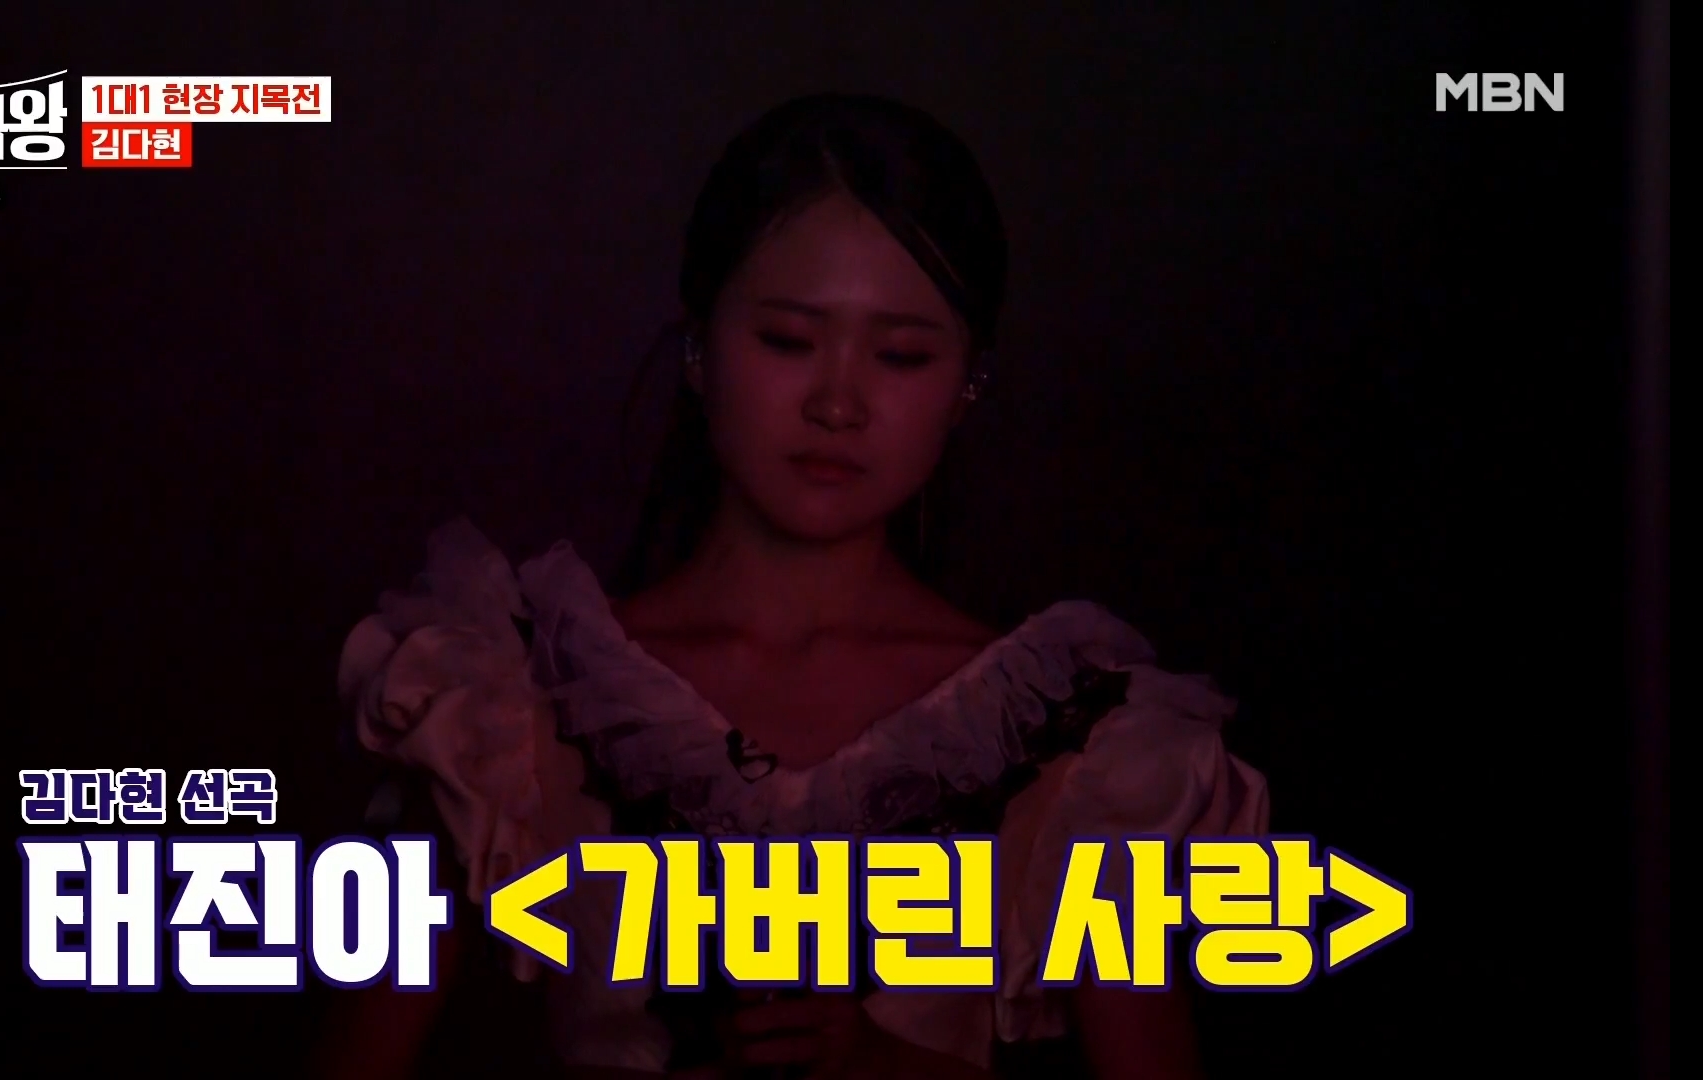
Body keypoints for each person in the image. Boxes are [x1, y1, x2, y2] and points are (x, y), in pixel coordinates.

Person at [311, 93, 1269, 1080]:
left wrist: (896, 1066)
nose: (838, 403)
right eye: (786, 341)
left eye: (901, 356)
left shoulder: (1076, 742)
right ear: (698, 345)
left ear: (967, 386)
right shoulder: (505, 704)